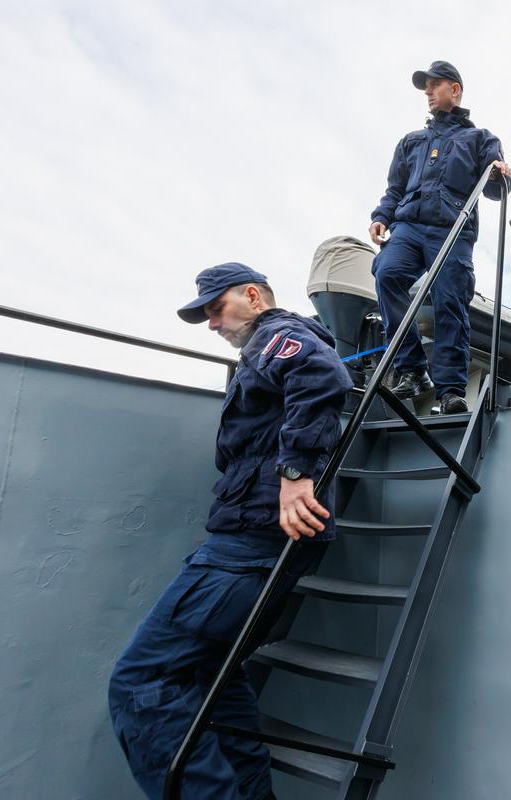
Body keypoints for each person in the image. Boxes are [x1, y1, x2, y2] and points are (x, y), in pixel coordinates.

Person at [108, 262, 353, 800]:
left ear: (253, 295)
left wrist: (295, 473)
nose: (213, 324)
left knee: (141, 682)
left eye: (216, 310)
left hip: (252, 539)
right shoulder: (264, 347)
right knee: (213, 674)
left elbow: (322, 376)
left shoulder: (278, 334)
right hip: (255, 533)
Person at [369, 59, 511, 415]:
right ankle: (413, 369)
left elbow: (495, 189)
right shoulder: (411, 142)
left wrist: (500, 174)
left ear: (454, 89)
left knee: (450, 299)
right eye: (426, 88)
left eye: (434, 86)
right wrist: (381, 217)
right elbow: (395, 189)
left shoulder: (480, 139)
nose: (428, 93)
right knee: (387, 273)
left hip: (453, 230)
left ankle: (450, 390)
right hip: (408, 227)